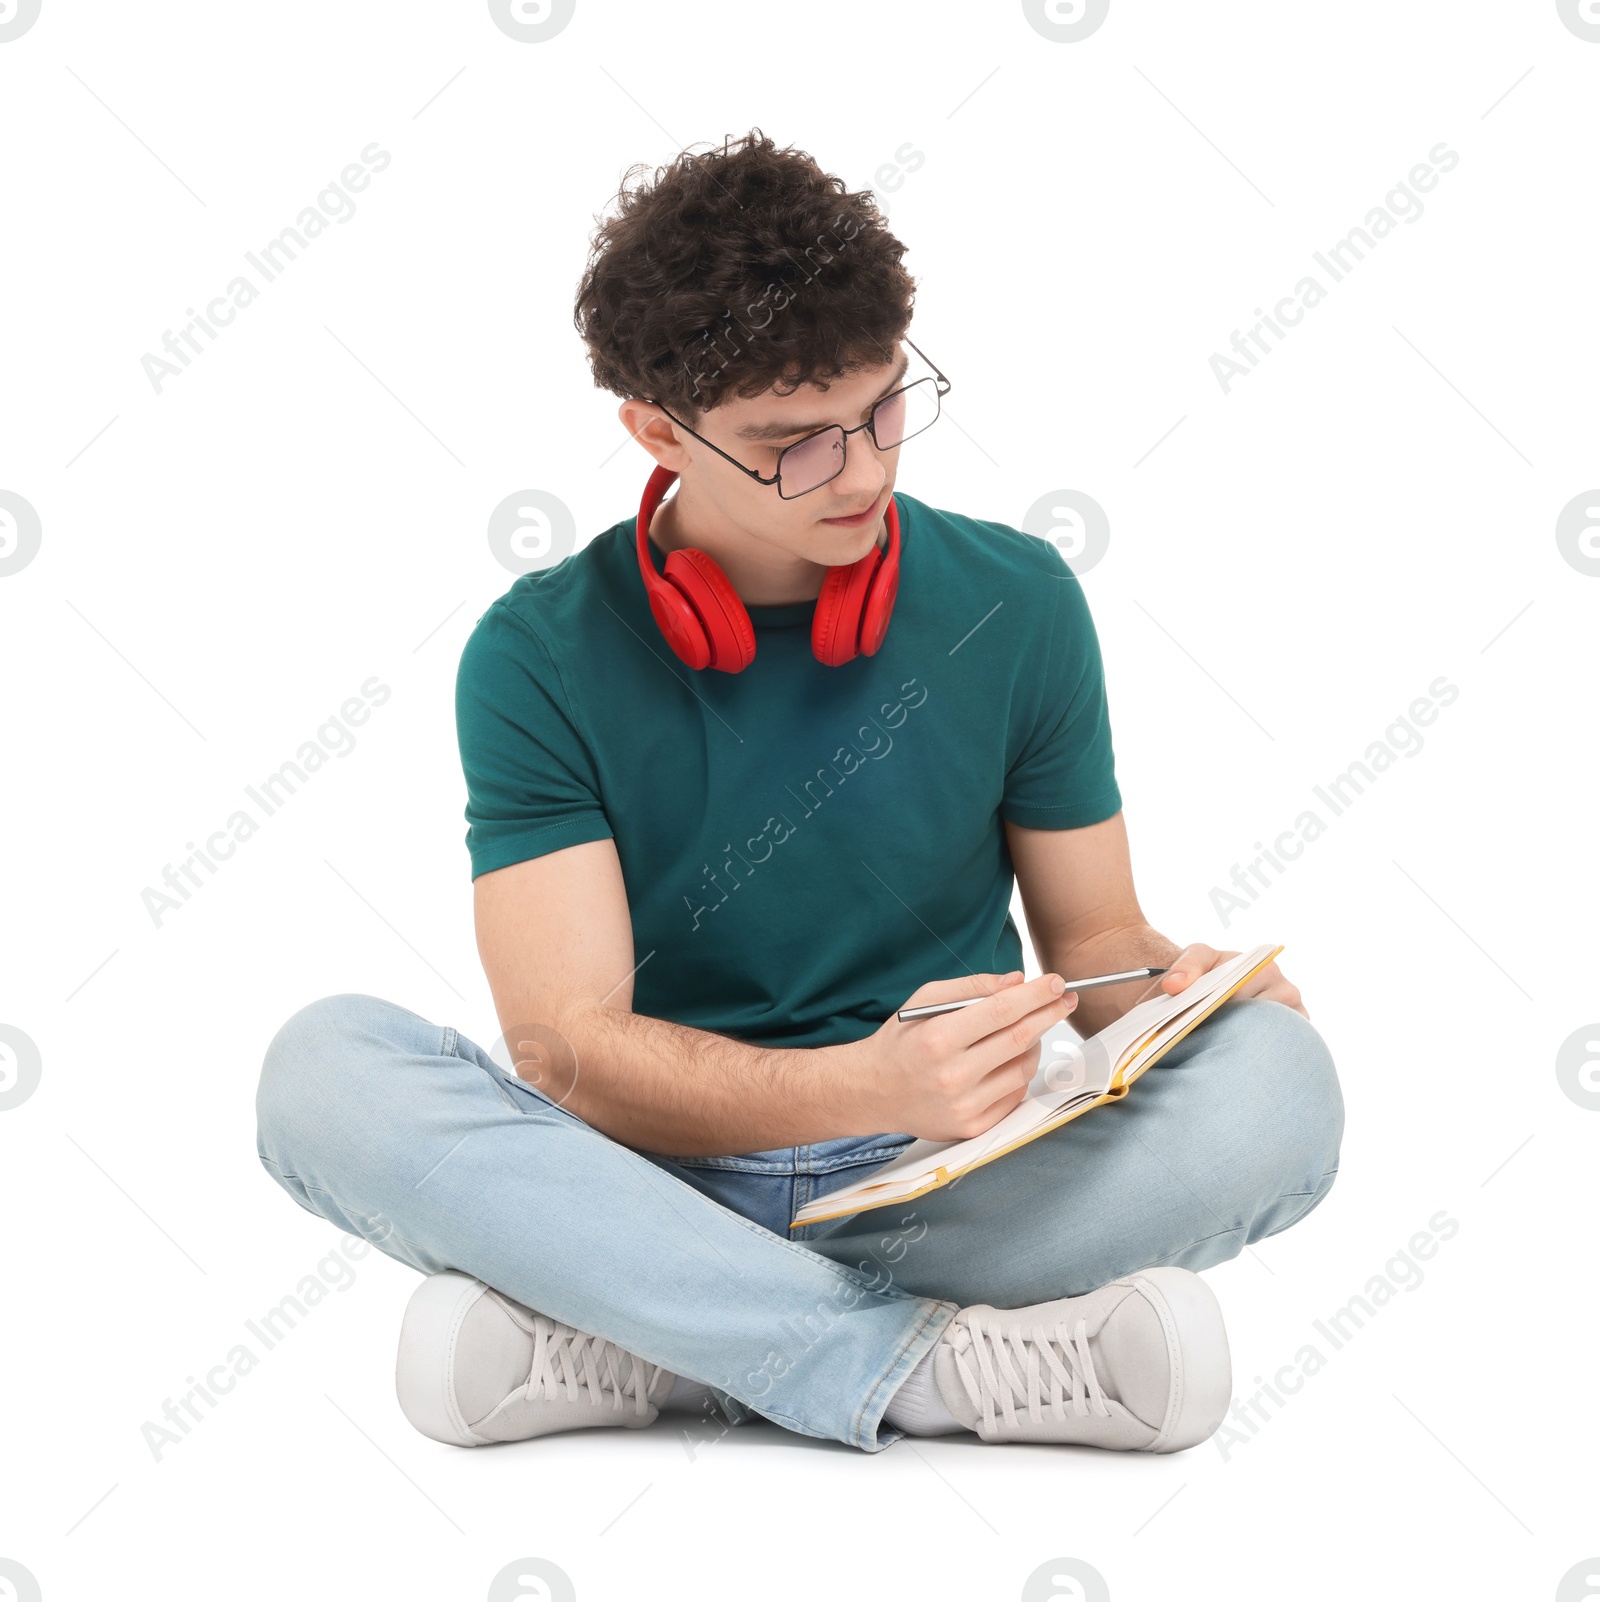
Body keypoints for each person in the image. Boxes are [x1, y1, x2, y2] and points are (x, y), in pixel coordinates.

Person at [255, 129, 1343, 1456]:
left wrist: (1178, 994)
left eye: (886, 409)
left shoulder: (1018, 600)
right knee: (322, 1073)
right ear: (657, 429)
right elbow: (567, 1052)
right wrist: (850, 1081)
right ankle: (921, 1367)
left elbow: (1099, 946)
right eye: (796, 445)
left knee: (1282, 1083)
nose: (869, 471)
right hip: (644, 1172)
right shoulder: (536, 650)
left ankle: (652, 1337)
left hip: (945, 1179)